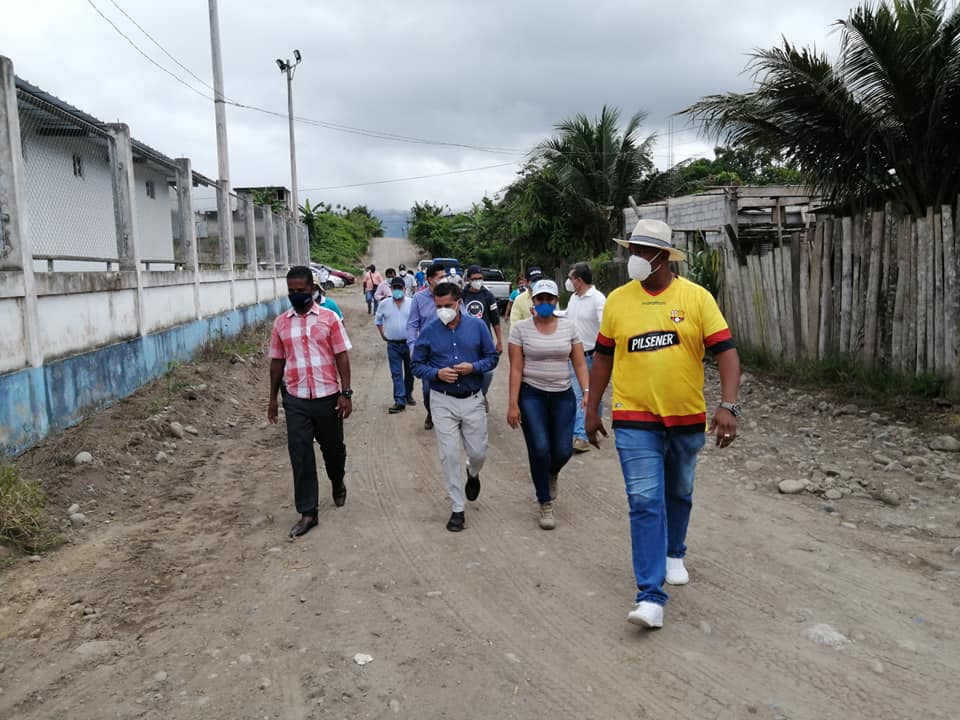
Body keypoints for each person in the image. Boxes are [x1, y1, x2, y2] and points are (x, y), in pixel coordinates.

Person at [585, 219, 741, 630]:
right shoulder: (618, 301)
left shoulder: (696, 298)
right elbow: (602, 357)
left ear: (662, 257)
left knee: (679, 490)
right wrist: (591, 406)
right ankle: (650, 596)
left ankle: (675, 551)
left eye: (641, 251)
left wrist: (728, 405)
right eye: (631, 249)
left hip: (686, 417)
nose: (634, 257)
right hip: (634, 417)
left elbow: (726, 351)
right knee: (644, 501)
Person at [268, 265, 354, 538]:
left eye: (301, 290)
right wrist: (272, 398)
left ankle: (337, 481)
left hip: (328, 397)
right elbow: (277, 362)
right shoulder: (281, 323)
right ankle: (308, 512)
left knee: (333, 450)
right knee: (300, 454)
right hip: (296, 399)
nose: (296, 294)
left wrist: (346, 393)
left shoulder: (329, 318)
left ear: (312, 289)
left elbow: (341, 356)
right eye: (291, 290)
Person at [412, 282, 499, 532]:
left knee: (478, 452)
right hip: (442, 400)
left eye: (448, 305)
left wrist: (474, 367)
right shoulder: (429, 331)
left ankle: (473, 473)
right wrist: (436, 373)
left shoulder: (477, 327)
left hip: (472, 398)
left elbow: (492, 357)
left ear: (459, 303)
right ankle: (457, 508)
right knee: (449, 455)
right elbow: (416, 364)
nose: (443, 310)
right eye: (438, 306)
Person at [507, 279, 590, 530]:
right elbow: (516, 368)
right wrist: (513, 403)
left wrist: (586, 391)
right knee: (540, 448)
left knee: (563, 450)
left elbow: (579, 362)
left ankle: (551, 473)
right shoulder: (520, 329)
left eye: (549, 299)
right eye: (540, 299)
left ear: (556, 301)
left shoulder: (569, 327)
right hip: (531, 395)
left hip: (562, 395)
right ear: (533, 301)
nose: (544, 303)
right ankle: (544, 501)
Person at [565, 262, 606, 453]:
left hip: (592, 355)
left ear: (579, 280)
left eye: (571, 278)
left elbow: (605, 325)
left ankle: (582, 435)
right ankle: (586, 431)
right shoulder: (574, 298)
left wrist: (602, 350)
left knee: (589, 394)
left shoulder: (598, 299)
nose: (569, 281)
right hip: (575, 355)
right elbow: (567, 317)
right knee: (581, 394)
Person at [406, 263, 448, 430]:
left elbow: (465, 317)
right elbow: (412, 324)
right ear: (430, 279)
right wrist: (412, 346)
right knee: (427, 388)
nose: (444, 280)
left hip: (450, 347)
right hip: (428, 352)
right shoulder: (419, 298)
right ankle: (431, 412)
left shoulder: (453, 294)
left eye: (445, 276)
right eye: (441, 277)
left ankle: (449, 416)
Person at [462, 264, 503, 411]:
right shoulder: (462, 295)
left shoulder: (488, 296)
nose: (477, 281)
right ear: (468, 279)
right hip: (465, 341)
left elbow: (495, 320)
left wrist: (499, 341)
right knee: (466, 370)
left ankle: (481, 395)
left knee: (487, 372)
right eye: (474, 279)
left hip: (484, 341)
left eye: (480, 278)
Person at [375, 276, 416, 414]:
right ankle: (399, 400)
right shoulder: (384, 304)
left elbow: (417, 321)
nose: (397, 290)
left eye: (400, 288)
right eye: (395, 288)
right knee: (396, 373)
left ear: (405, 289)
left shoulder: (412, 303)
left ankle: (408, 394)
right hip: (393, 344)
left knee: (410, 371)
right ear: (391, 289)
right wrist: (383, 335)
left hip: (409, 343)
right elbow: (378, 320)